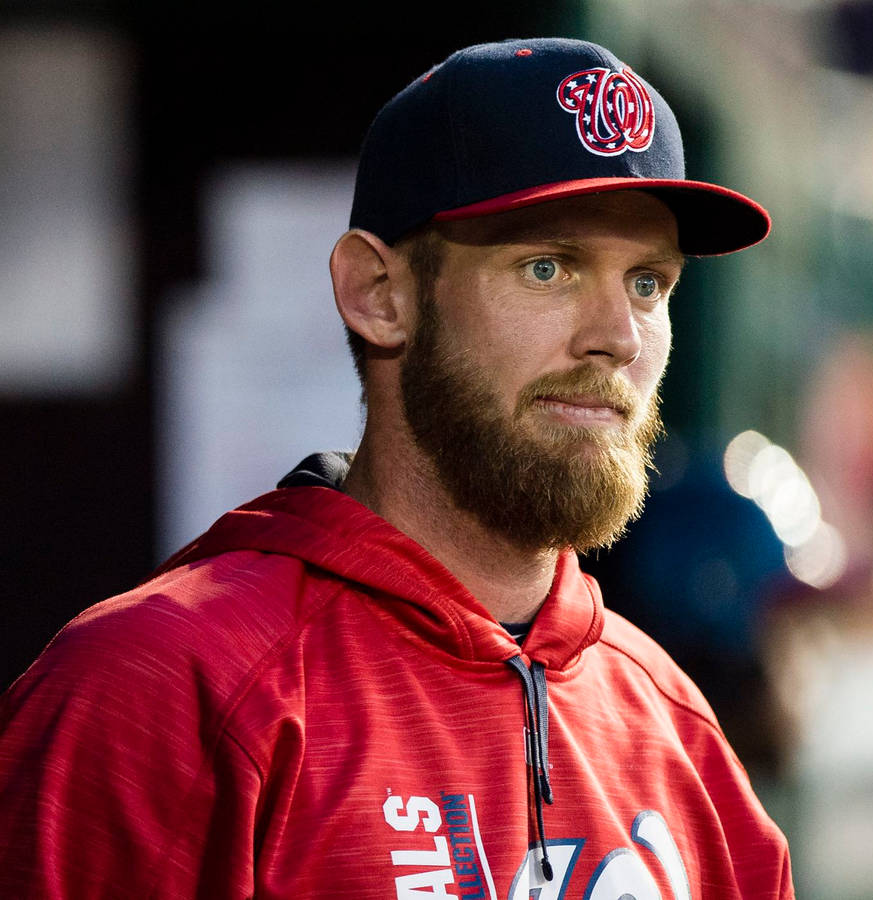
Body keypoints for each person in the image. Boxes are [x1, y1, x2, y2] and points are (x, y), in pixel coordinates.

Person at [0, 37, 794, 898]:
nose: (619, 335)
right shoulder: (158, 691)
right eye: (547, 267)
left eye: (649, 283)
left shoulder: (677, 735)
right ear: (378, 294)